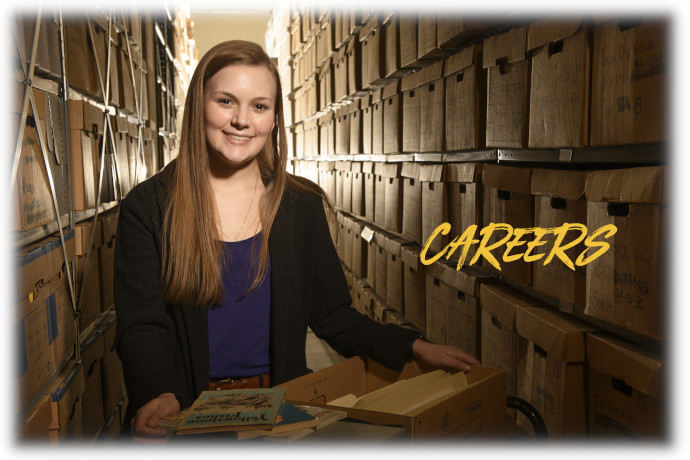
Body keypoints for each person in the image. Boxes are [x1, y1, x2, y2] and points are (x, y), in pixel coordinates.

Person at [113, 40, 480, 440]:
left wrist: (412, 346)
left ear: (274, 119)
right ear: (198, 105)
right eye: (225, 101)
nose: (241, 120)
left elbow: (332, 315)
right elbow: (142, 325)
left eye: (259, 106)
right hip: (185, 415)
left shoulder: (299, 207)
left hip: (280, 416)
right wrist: (156, 392)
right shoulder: (149, 207)